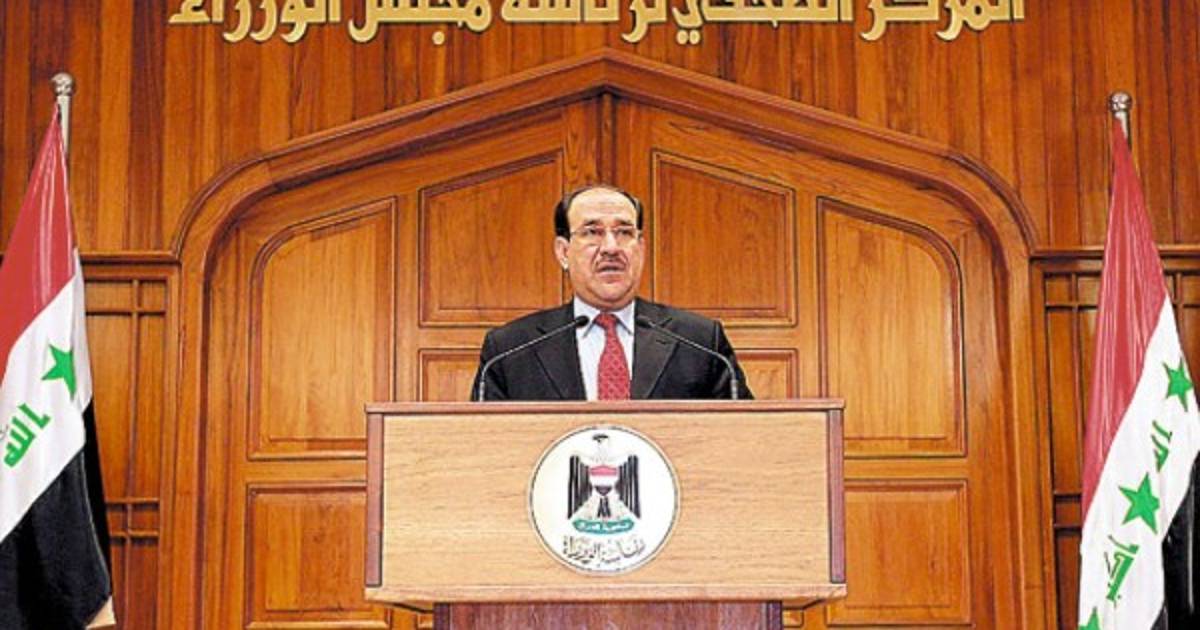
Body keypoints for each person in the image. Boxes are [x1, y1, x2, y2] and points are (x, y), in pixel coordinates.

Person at [472, 184, 753, 401]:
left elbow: (744, 437)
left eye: (624, 233)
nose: (611, 247)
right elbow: (483, 444)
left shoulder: (699, 340)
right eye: (592, 232)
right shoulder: (510, 349)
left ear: (640, 248)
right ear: (563, 252)